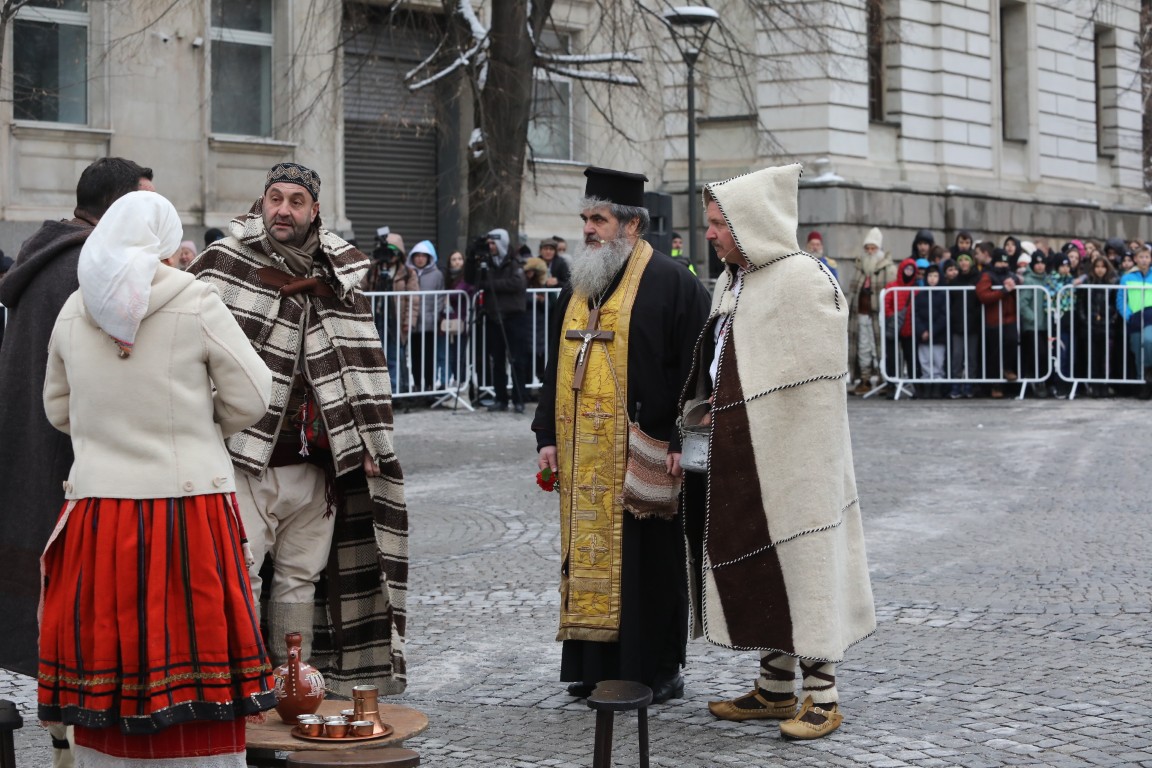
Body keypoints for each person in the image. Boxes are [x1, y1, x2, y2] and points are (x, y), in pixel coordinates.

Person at [38, 190, 277, 767]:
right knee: (195, 657)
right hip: (186, 507)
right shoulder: (195, 299)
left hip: (98, 509)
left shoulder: (75, 308)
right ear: (164, 242)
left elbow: (58, 409)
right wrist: (197, 424)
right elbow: (254, 394)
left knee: (107, 660)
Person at [186, 162, 409, 696]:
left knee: (299, 581)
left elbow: (362, 365)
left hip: (316, 469)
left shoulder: (342, 276)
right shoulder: (223, 264)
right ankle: (232, 687)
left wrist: (370, 442)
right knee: (238, 572)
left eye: (295, 201)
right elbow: (185, 347)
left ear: (314, 211)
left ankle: (294, 687)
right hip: (243, 458)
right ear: (261, 202)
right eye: (274, 198)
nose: (283, 209)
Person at [682, 164, 874, 740]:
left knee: (806, 564)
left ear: (752, 223)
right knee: (760, 561)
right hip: (741, 451)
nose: (709, 234)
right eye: (710, 223)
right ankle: (774, 687)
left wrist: (752, 414)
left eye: (718, 224)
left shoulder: (803, 280)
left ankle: (823, 695)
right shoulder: (733, 281)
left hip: (796, 460)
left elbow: (815, 384)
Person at [531, 166, 710, 704]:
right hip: (584, 449)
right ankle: (593, 667)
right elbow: (553, 367)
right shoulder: (580, 283)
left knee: (648, 565)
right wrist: (545, 432)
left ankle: (656, 670)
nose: (588, 229)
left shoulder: (674, 283)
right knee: (586, 556)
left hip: (648, 451)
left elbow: (699, 371)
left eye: (599, 219)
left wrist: (685, 440)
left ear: (631, 226)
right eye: (585, 218)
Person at [0, 155, 154, 768]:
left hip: (37, 448)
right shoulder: (86, 267)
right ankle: (76, 743)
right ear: (117, 208)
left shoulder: (52, 255)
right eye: (144, 204)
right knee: (76, 612)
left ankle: (71, 737)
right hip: (70, 457)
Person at [475, 227, 530, 413]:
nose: (490, 247)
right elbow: (473, 280)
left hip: (514, 317)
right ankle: (500, 398)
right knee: (496, 360)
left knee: (517, 360)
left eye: (493, 243)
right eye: (488, 243)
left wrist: (491, 286)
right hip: (493, 317)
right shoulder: (486, 262)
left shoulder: (514, 262)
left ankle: (519, 398)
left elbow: (518, 283)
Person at [846, 227, 896, 394]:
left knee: (879, 348)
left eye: (873, 248)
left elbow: (891, 294)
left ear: (879, 249)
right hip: (861, 313)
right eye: (867, 248)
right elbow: (853, 291)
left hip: (878, 315)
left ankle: (883, 378)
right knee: (863, 348)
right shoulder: (859, 267)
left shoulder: (888, 268)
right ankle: (864, 380)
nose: (869, 251)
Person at [367, 229, 418, 393]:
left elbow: (414, 300)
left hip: (396, 319)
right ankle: (378, 392)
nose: (388, 255)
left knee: (395, 355)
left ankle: (395, 390)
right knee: (375, 357)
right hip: (376, 318)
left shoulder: (408, 273)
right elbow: (361, 289)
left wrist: (408, 322)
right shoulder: (373, 270)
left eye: (392, 251)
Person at [974, 248, 1020, 398]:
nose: (1002, 264)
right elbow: (983, 295)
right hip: (994, 320)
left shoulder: (1010, 275)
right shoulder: (987, 275)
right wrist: (1003, 291)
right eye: (1000, 261)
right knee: (994, 354)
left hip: (1010, 318)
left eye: (1005, 261)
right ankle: (995, 385)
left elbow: (1019, 283)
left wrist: (1015, 283)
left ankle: (1007, 369)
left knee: (1012, 342)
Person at [406, 239, 444, 397]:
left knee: (429, 356)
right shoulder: (408, 273)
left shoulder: (437, 275)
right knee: (415, 356)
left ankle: (429, 385)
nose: (420, 259)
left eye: (423, 256)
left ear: (429, 258)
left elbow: (440, 298)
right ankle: (417, 384)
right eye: (417, 256)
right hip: (414, 324)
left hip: (429, 323)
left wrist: (435, 316)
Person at [1118, 245, 1152, 399]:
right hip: (1135, 318)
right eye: (1141, 257)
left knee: (1148, 340)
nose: (1144, 260)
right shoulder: (1127, 277)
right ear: (1135, 259)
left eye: (1147, 257)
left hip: (1151, 317)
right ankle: (1143, 382)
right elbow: (1121, 299)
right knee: (1137, 348)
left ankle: (1149, 371)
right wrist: (1127, 315)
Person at [946, 252, 982, 398]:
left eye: (966, 260)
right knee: (957, 356)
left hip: (973, 324)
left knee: (972, 356)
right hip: (957, 324)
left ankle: (969, 385)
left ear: (971, 262)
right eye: (960, 260)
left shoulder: (977, 279)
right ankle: (956, 385)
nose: (963, 263)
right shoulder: (954, 281)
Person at [439, 250, 475, 387]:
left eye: (460, 259)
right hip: (448, 321)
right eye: (454, 259)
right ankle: (454, 381)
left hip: (462, 321)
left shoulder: (467, 277)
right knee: (450, 355)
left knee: (460, 355)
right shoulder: (448, 278)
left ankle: (462, 383)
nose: (457, 261)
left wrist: (447, 296)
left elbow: (458, 293)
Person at [913, 264, 948, 398]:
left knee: (938, 361)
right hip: (923, 336)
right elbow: (915, 315)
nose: (932, 279)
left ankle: (937, 387)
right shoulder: (920, 295)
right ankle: (927, 386)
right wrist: (922, 331)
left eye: (935, 276)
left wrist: (932, 331)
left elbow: (944, 316)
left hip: (938, 336)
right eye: (930, 276)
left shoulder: (943, 294)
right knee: (925, 361)